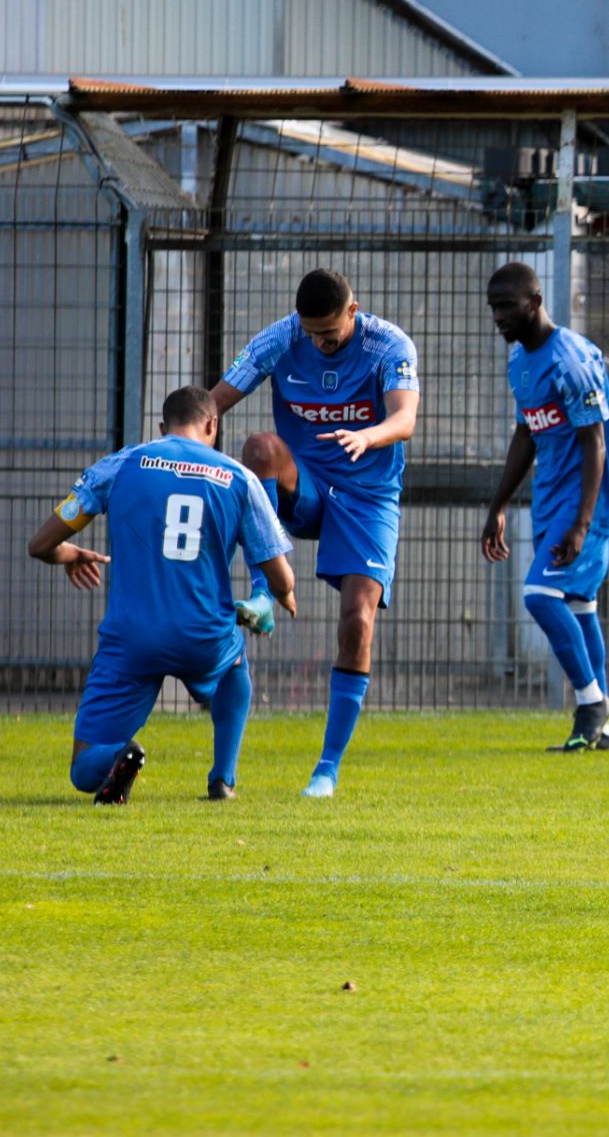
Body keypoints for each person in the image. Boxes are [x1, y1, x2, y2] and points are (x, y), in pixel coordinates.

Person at [27, 385, 296, 804]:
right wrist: (276, 597)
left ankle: (119, 755)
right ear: (213, 425)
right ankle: (223, 779)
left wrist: (70, 554)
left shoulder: (120, 464)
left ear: (160, 428)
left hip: (132, 640)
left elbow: (40, 545)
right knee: (234, 668)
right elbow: (281, 579)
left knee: (83, 769)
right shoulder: (238, 478)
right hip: (204, 636)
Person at [209, 269, 420, 797]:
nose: (319, 343)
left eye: (328, 333)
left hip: (368, 494)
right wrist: (172, 450)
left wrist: (368, 436)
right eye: (311, 333)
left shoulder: (388, 344)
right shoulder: (282, 337)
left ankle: (326, 768)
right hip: (304, 484)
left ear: (353, 312)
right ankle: (262, 594)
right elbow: (211, 406)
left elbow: (405, 419)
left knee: (357, 621)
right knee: (259, 448)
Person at [480, 262, 609, 752]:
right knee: (579, 605)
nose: (498, 317)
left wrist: (583, 523)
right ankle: (603, 729)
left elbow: (595, 444)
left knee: (539, 595)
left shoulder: (572, 361)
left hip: (588, 498)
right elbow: (527, 434)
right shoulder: (520, 361)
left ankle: (590, 703)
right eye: (493, 307)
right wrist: (498, 504)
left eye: (506, 306)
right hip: (551, 497)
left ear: (535, 303)